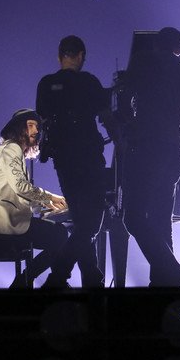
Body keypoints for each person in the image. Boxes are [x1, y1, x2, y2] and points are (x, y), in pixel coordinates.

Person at [120, 27, 180, 287]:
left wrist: (129, 123)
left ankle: (172, 272)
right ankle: (162, 285)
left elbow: (124, 100)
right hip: (172, 149)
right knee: (162, 219)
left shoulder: (142, 61)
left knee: (133, 217)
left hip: (144, 147)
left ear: (155, 45)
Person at [36, 35, 109, 288]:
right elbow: (107, 116)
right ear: (81, 56)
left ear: (59, 57)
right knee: (91, 223)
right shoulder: (89, 82)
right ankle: (57, 276)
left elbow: (42, 119)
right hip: (88, 159)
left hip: (64, 161)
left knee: (81, 222)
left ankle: (92, 278)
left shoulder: (46, 84)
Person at [0, 109, 69, 287]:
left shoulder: (8, 151)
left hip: (0, 223)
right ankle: (26, 281)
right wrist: (51, 197)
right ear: (19, 128)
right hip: (5, 224)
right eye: (31, 125)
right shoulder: (11, 148)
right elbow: (21, 186)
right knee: (60, 235)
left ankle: (26, 281)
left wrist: (48, 207)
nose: (36, 131)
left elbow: (22, 195)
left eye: (37, 127)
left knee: (55, 234)